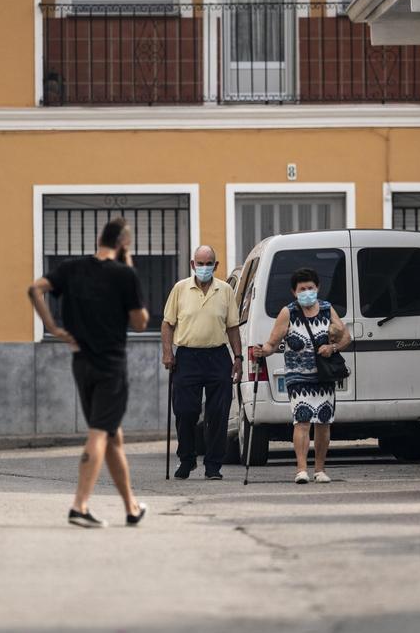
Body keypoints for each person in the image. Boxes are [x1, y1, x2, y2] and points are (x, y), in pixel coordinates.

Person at [27, 217, 150, 528]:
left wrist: (53, 327)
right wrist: (128, 267)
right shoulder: (124, 275)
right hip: (111, 366)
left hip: (81, 363)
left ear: (99, 239)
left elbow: (35, 289)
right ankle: (79, 506)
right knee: (99, 433)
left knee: (112, 435)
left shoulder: (72, 268)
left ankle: (131, 507)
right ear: (123, 244)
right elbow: (140, 323)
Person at [254, 267, 350, 484]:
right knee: (303, 420)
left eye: (310, 288)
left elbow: (346, 337)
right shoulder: (288, 312)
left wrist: (332, 348)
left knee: (323, 422)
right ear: (294, 292)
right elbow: (273, 342)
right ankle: (301, 469)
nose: (307, 292)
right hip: (298, 376)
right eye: (302, 289)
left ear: (318, 288)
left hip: (324, 375)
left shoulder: (326, 309)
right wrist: (263, 351)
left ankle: (320, 469)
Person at [161, 246, 243, 480]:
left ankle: (213, 465)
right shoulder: (180, 289)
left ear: (216, 266)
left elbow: (232, 327)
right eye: (200, 263)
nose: (204, 268)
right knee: (185, 411)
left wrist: (238, 357)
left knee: (218, 413)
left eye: (208, 264)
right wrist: (168, 353)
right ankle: (187, 459)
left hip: (218, 356)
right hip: (187, 357)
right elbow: (167, 324)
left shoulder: (225, 290)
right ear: (192, 264)